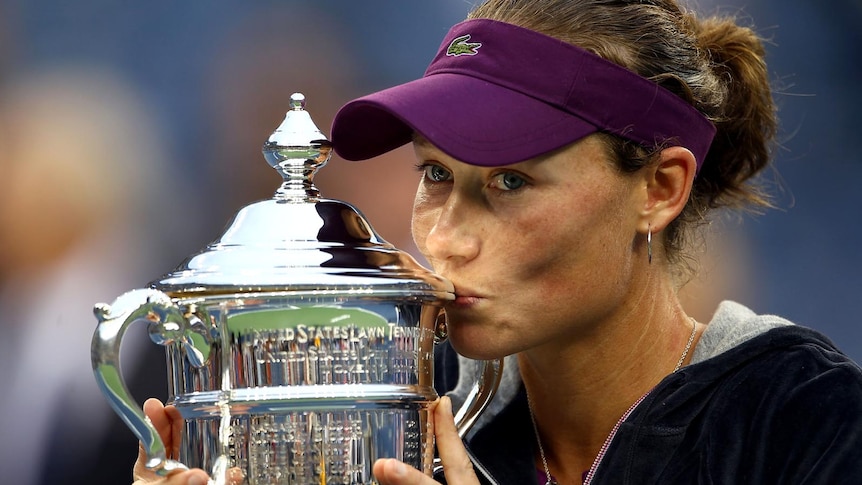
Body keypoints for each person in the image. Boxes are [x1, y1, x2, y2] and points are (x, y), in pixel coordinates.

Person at [131, 0, 862, 484]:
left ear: (660, 188)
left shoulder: (808, 419)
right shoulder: (397, 416)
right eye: (437, 174)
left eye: (511, 181)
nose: (444, 238)